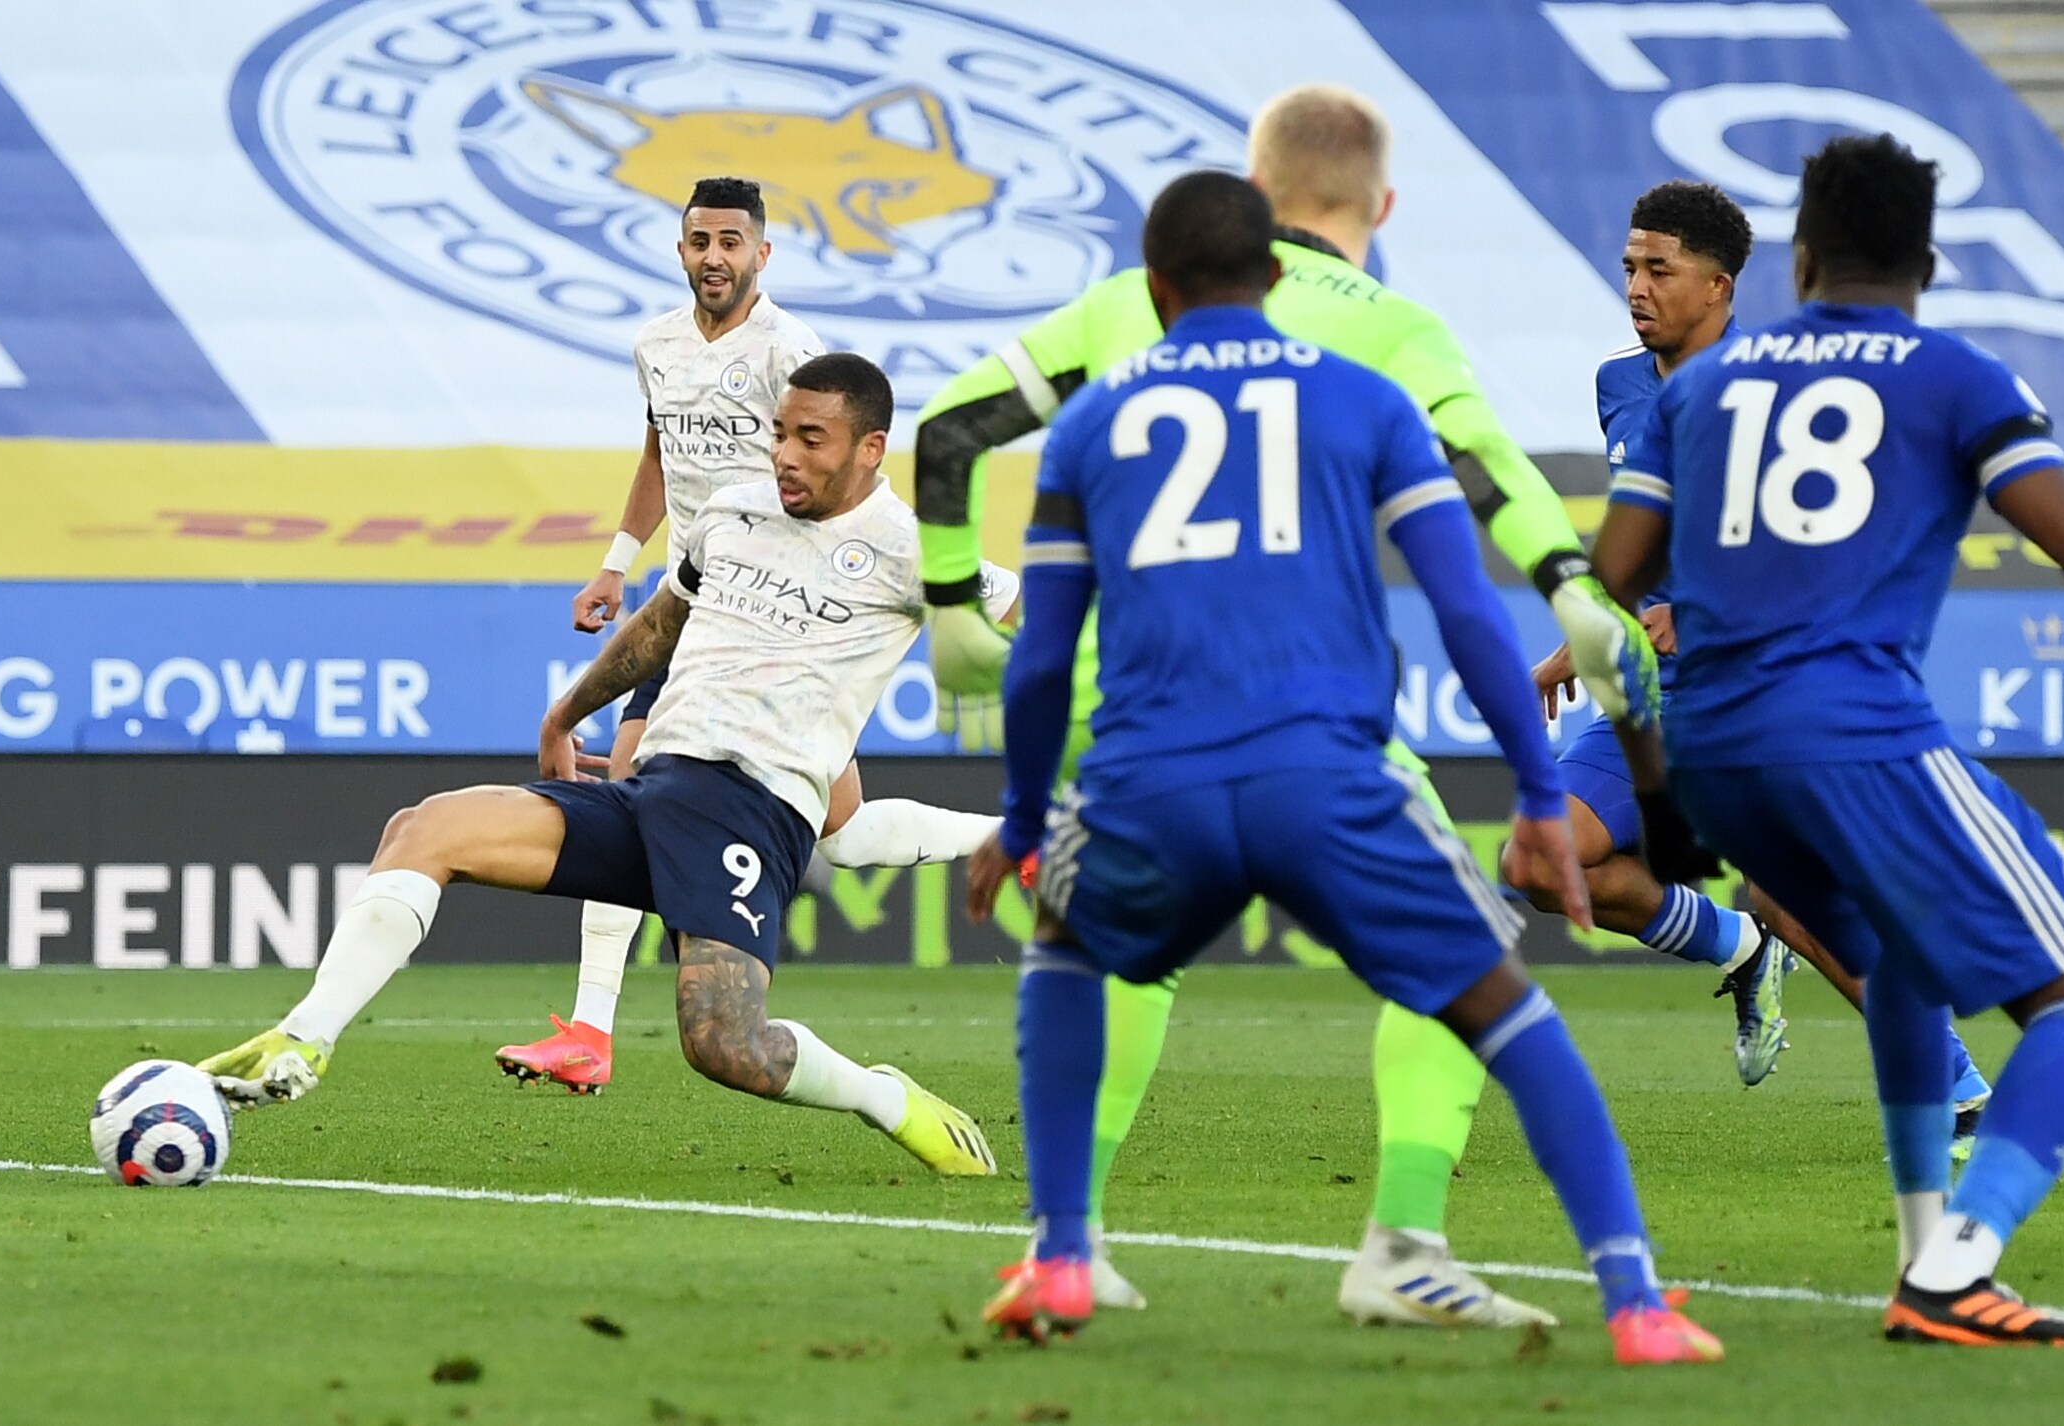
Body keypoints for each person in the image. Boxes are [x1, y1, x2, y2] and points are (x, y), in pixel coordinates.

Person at [909, 83, 1659, 1329]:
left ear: (1246, 206)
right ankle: (1413, 1240)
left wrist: (948, 614)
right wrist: (1569, 585)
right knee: (1474, 962)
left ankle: (1064, 1245)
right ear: (1382, 206)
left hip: (1118, 709)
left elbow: (945, 433)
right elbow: (1483, 476)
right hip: (1304, 719)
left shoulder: (1118, 317)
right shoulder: (1389, 340)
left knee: (1096, 958)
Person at [1592, 134, 2064, 1345]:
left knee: (1901, 962)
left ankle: (1922, 1261)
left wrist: (1656, 793)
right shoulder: (1956, 375)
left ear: (1798, 260)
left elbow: (1602, 585)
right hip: (1854, 737)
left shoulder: (1700, 388)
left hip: (1710, 748)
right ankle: (1956, 1269)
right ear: (1923, 262)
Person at [199, 354, 1002, 1180]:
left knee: (726, 1045)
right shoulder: (733, 510)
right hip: (653, 785)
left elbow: (1026, 616)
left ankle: (887, 1099)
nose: (784, 456)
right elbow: (661, 624)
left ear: (870, 448)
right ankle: (303, 1040)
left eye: (810, 439)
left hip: (750, 810)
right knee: (425, 827)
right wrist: (565, 714)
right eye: (777, 434)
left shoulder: (912, 549)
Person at [1507, 182, 1994, 1134]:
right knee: (1541, 860)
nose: (1636, 288)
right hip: (1651, 690)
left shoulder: (1785, 396)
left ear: (1718, 286)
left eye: (1659, 270)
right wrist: (1580, 640)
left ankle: (1958, 1093)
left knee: (1793, 896)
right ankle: (1738, 950)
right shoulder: (1619, 383)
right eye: (1629, 268)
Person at [500, 177, 1006, 1093]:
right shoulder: (655, 345)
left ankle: (590, 1030)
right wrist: (617, 562)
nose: (714, 257)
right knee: (838, 829)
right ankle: (1014, 839)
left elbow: (846, 467)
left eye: (731, 241)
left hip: (772, 604)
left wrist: (863, 567)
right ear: (680, 248)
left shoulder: (789, 350)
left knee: (638, 776)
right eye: (700, 240)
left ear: (761, 254)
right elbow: (658, 455)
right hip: (697, 588)